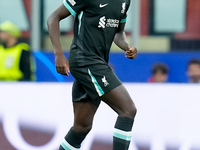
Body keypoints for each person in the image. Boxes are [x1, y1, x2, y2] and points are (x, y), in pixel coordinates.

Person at [47, 0, 138, 149]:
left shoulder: (125, 2)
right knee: (128, 110)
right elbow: (53, 18)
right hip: (85, 60)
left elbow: (119, 32)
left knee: (81, 127)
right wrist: (58, 54)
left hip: (96, 63)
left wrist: (127, 47)